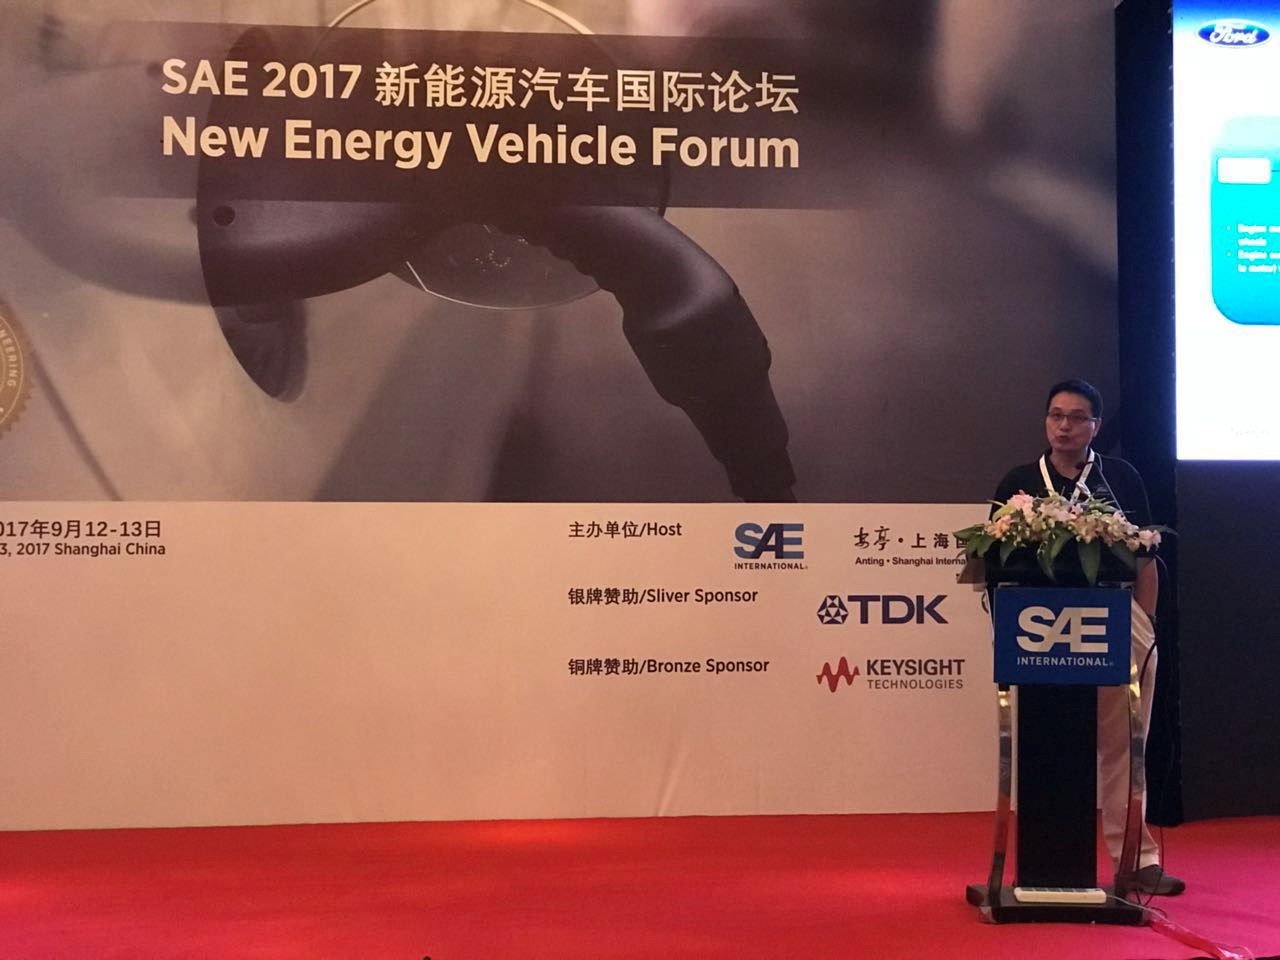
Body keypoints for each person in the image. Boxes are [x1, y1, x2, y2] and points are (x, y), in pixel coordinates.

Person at [992, 378, 1184, 896]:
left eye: (1077, 418)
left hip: (1115, 625)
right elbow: (994, 565)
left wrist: (1144, 623)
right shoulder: (1019, 483)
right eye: (1056, 415)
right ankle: (1044, 862)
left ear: (1096, 426)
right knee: (1048, 742)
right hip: (1039, 635)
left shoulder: (1119, 478)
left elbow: (1146, 558)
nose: (1065, 426)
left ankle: (1136, 860)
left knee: (1124, 743)